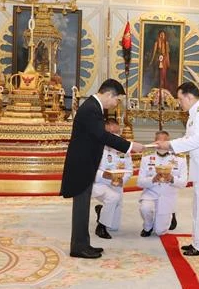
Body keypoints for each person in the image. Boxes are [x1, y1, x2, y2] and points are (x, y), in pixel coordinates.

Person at [60, 79, 143, 259]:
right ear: (108, 94)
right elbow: (102, 135)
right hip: (82, 165)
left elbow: (98, 136)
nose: (116, 104)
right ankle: (79, 247)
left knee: (83, 206)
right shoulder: (91, 109)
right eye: (117, 99)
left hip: (85, 163)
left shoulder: (93, 107)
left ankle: (83, 243)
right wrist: (129, 146)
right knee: (81, 207)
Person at [155, 82, 199, 256]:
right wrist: (169, 145)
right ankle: (198, 242)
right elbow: (189, 138)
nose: (179, 103)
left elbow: (195, 141)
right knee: (198, 207)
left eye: (180, 99)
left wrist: (169, 145)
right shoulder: (195, 114)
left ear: (189, 96)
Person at [137, 130, 187, 237]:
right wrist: (153, 179)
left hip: (168, 196)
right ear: (154, 142)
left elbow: (183, 183)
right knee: (145, 208)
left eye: (164, 141)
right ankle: (148, 226)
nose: (161, 144)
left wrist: (172, 179)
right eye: (158, 141)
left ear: (169, 142)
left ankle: (171, 213)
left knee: (160, 232)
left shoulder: (180, 158)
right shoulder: (146, 157)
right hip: (151, 193)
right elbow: (140, 182)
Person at [91, 118, 134, 239]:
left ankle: (101, 211)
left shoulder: (123, 146)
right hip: (99, 184)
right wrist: (102, 175)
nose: (114, 136)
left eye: (116, 133)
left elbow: (129, 169)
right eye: (110, 134)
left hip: (117, 185)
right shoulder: (96, 146)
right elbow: (87, 169)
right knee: (112, 198)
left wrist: (122, 180)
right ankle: (101, 227)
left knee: (114, 227)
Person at [149, 30, 172, 94]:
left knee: (163, 74)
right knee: (158, 73)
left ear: (165, 36)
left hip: (164, 60)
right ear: (159, 35)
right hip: (158, 59)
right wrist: (152, 60)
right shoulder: (156, 43)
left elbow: (167, 53)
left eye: (163, 35)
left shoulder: (166, 43)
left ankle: (163, 87)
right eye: (161, 35)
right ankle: (158, 88)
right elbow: (154, 53)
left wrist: (168, 61)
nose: (162, 36)